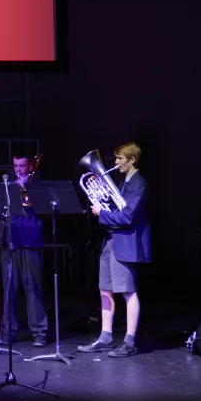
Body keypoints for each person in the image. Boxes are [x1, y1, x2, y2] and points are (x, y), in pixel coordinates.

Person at [77, 142, 151, 358]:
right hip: (111, 240)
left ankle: (129, 342)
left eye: (119, 159)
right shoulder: (125, 182)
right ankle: (105, 337)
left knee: (128, 291)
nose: (115, 162)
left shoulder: (139, 184)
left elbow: (127, 216)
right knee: (105, 290)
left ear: (131, 160)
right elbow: (116, 207)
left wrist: (102, 213)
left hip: (125, 242)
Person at [0, 153, 49, 347]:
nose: (18, 170)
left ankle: (39, 333)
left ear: (30, 167)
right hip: (10, 240)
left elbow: (46, 209)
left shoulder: (39, 185)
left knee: (34, 288)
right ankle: (8, 331)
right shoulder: (7, 185)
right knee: (9, 289)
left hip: (31, 240)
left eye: (22, 166)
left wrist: (31, 196)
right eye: (15, 166)